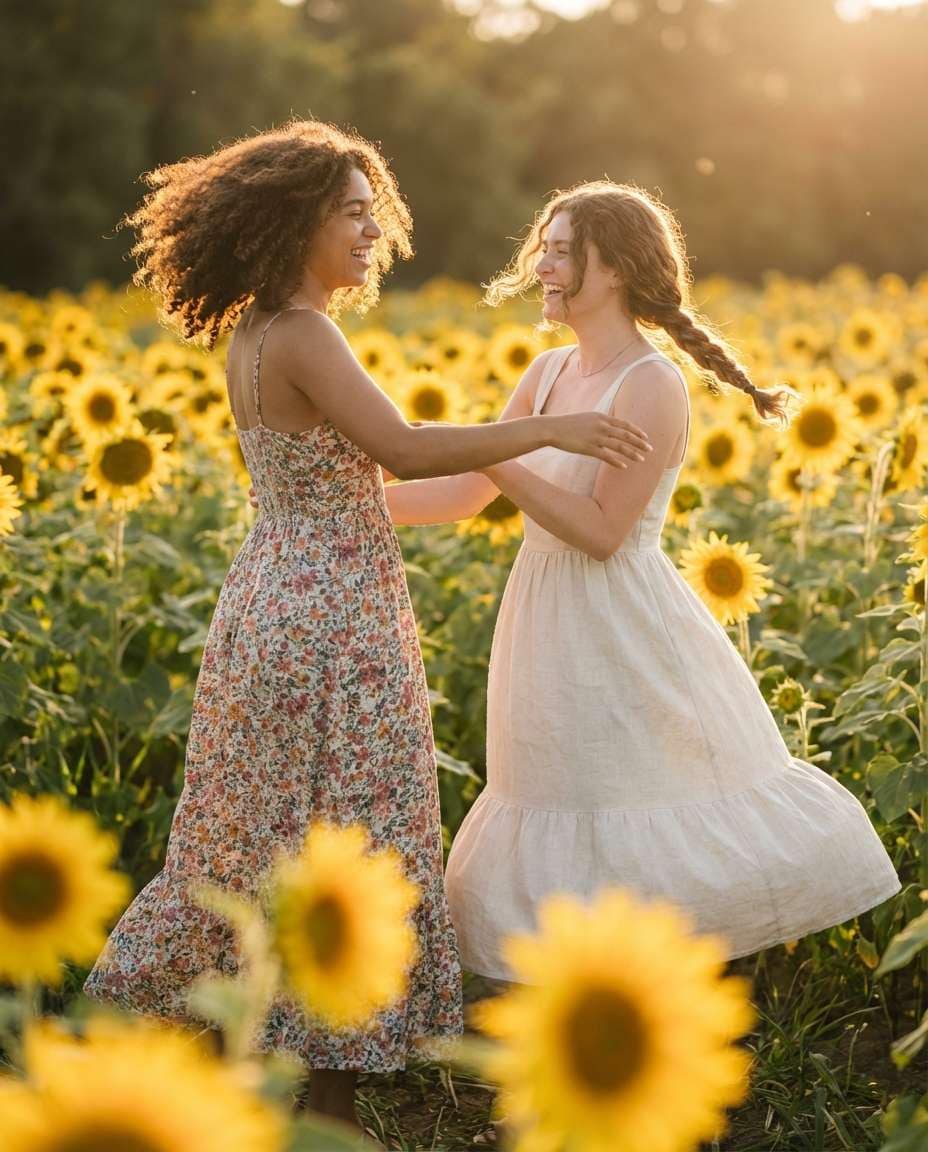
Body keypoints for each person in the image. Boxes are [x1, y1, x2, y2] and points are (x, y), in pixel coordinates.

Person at [82, 127, 652, 1138]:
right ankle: (330, 1108)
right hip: (335, 620)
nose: (370, 229)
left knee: (250, 833)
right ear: (293, 219)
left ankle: (214, 1062)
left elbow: (350, 483)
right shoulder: (303, 331)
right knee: (352, 835)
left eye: (370, 210)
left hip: (268, 598)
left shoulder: (256, 332)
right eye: (350, 211)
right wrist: (549, 429)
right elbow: (397, 448)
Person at [383, 179, 901, 984]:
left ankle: (667, 993)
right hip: (544, 621)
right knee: (558, 789)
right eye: (544, 249)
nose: (543, 267)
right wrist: (344, 507)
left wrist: (491, 450)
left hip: (618, 619)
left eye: (562, 252)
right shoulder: (550, 373)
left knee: (626, 797)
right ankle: (576, 989)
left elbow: (597, 532)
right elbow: (459, 494)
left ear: (615, 269)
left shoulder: (651, 385)